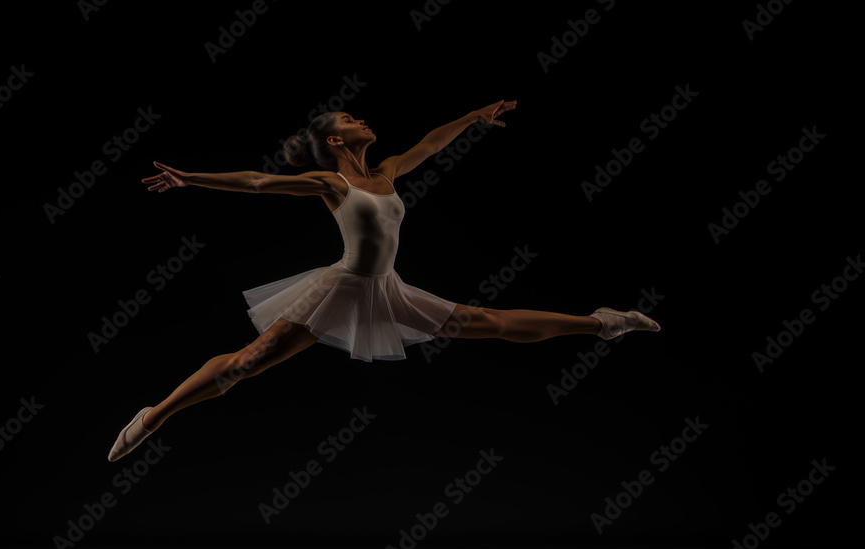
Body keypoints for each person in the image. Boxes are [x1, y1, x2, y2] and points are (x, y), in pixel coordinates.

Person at [108, 100, 660, 462]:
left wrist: (472, 117)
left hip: (387, 287)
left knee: (485, 322)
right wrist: (191, 178)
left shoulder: (386, 172)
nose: (362, 119)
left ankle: (603, 322)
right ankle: (153, 416)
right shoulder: (330, 181)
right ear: (333, 141)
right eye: (349, 118)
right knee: (251, 361)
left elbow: (430, 143)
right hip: (342, 285)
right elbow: (257, 182)